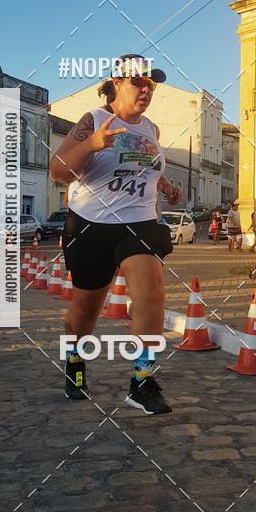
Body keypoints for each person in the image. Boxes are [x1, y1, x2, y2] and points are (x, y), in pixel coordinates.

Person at [50, 54, 181, 413]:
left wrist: (165, 184)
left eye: (150, 84)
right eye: (138, 82)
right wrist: (91, 145)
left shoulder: (151, 129)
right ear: (117, 83)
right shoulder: (93, 120)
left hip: (138, 224)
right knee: (84, 311)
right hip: (90, 225)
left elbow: (141, 165)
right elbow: (57, 171)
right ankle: (74, 363)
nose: (145, 89)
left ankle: (142, 381)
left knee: (152, 293)